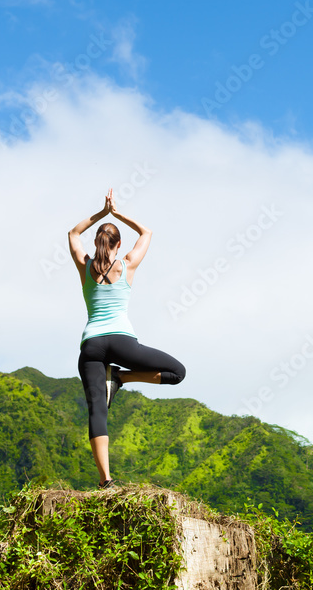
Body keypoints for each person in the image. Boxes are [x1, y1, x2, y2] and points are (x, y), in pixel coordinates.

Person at [68, 189, 186, 489]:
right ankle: (122, 378)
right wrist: (116, 213)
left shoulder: (85, 266)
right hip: (122, 341)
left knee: (97, 411)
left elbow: (72, 232)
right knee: (178, 373)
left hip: (91, 345)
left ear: (97, 243)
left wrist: (100, 214)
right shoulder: (127, 264)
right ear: (118, 244)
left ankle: (105, 480)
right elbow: (146, 232)